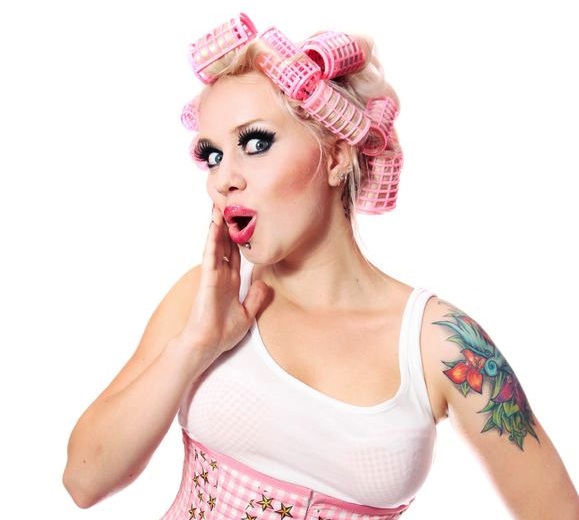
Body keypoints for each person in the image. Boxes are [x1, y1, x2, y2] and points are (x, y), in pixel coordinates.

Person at [63, 13, 578, 519]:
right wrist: (195, 344)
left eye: (256, 143)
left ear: (335, 157)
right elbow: (84, 481)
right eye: (213, 155)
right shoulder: (208, 298)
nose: (223, 179)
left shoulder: (440, 344)